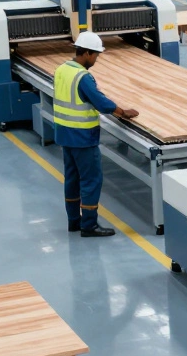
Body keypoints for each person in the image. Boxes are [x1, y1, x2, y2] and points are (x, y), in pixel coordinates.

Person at [53, 32, 139, 238]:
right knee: (91, 181)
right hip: (83, 137)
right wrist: (122, 111)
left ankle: (74, 221)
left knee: (72, 179)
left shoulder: (62, 69)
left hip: (65, 134)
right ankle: (89, 225)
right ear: (88, 53)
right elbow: (100, 102)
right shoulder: (82, 77)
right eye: (96, 56)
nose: (96, 60)